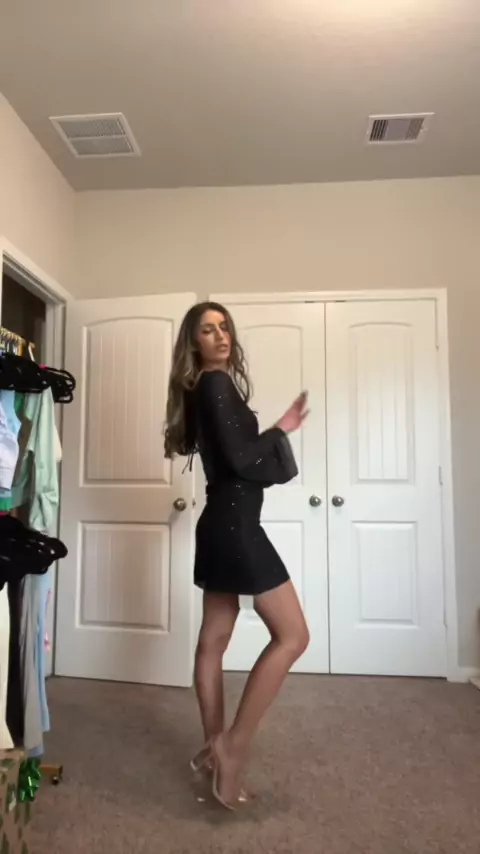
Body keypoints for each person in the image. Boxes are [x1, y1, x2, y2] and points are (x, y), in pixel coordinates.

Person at [164, 301, 309, 810]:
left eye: (224, 327)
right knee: (294, 636)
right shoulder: (215, 385)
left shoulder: (205, 388)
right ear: (194, 342)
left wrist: (273, 433)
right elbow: (244, 460)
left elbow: (232, 458)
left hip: (222, 526)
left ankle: (216, 759)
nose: (220, 335)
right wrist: (281, 428)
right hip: (235, 528)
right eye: (207, 330)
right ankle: (232, 746)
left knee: (213, 641)